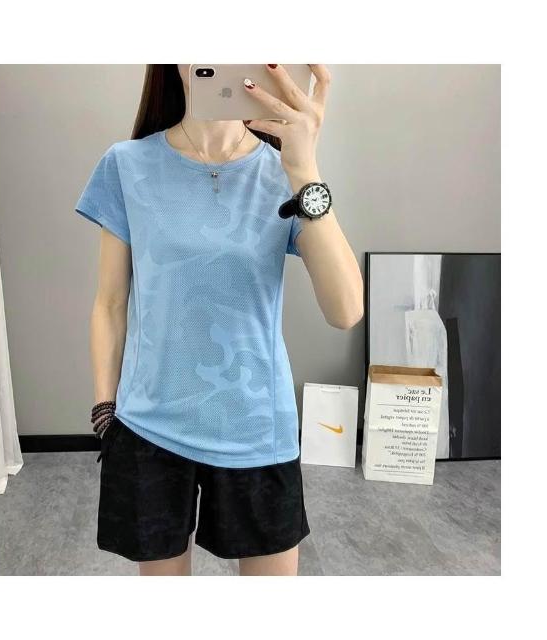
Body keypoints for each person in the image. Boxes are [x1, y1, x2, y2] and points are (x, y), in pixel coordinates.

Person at [74, 64, 363, 576]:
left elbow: (346, 310)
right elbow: (110, 303)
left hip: (257, 428)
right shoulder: (126, 165)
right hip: (150, 427)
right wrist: (105, 411)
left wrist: (305, 170)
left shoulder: (285, 174)